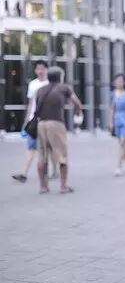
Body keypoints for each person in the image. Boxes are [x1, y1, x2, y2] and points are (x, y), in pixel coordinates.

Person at [35, 66, 82, 194]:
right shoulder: (64, 88)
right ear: (60, 77)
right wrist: (78, 113)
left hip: (41, 124)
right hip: (56, 123)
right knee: (62, 155)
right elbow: (77, 103)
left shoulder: (40, 90)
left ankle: (43, 186)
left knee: (42, 157)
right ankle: (63, 186)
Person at [12, 61, 58, 183]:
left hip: (48, 119)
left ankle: (54, 170)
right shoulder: (33, 84)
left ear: (47, 70)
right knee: (30, 146)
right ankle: (23, 174)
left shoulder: (51, 84)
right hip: (34, 120)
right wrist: (26, 122)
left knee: (49, 147)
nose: (40, 71)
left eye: (42, 68)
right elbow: (31, 104)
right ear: (35, 71)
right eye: (38, 69)